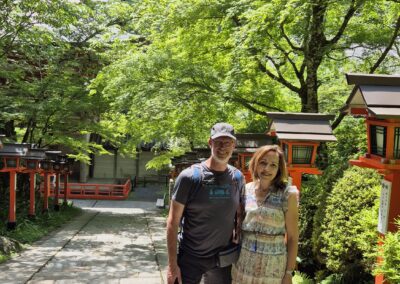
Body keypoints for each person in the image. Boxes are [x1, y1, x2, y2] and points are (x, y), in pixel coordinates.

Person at [166, 122, 245, 284]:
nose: (223, 147)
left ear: (234, 145)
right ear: (210, 143)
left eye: (228, 142)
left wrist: (237, 239)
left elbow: (240, 213)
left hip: (222, 260)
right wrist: (172, 265)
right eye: (218, 142)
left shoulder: (237, 178)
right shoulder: (189, 177)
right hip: (190, 258)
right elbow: (172, 223)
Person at [232, 145, 299, 284]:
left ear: (279, 169)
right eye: (263, 163)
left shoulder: (287, 194)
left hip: (273, 266)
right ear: (255, 163)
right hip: (245, 262)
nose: (267, 169)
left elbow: (292, 237)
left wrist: (288, 273)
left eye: (273, 165)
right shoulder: (246, 189)